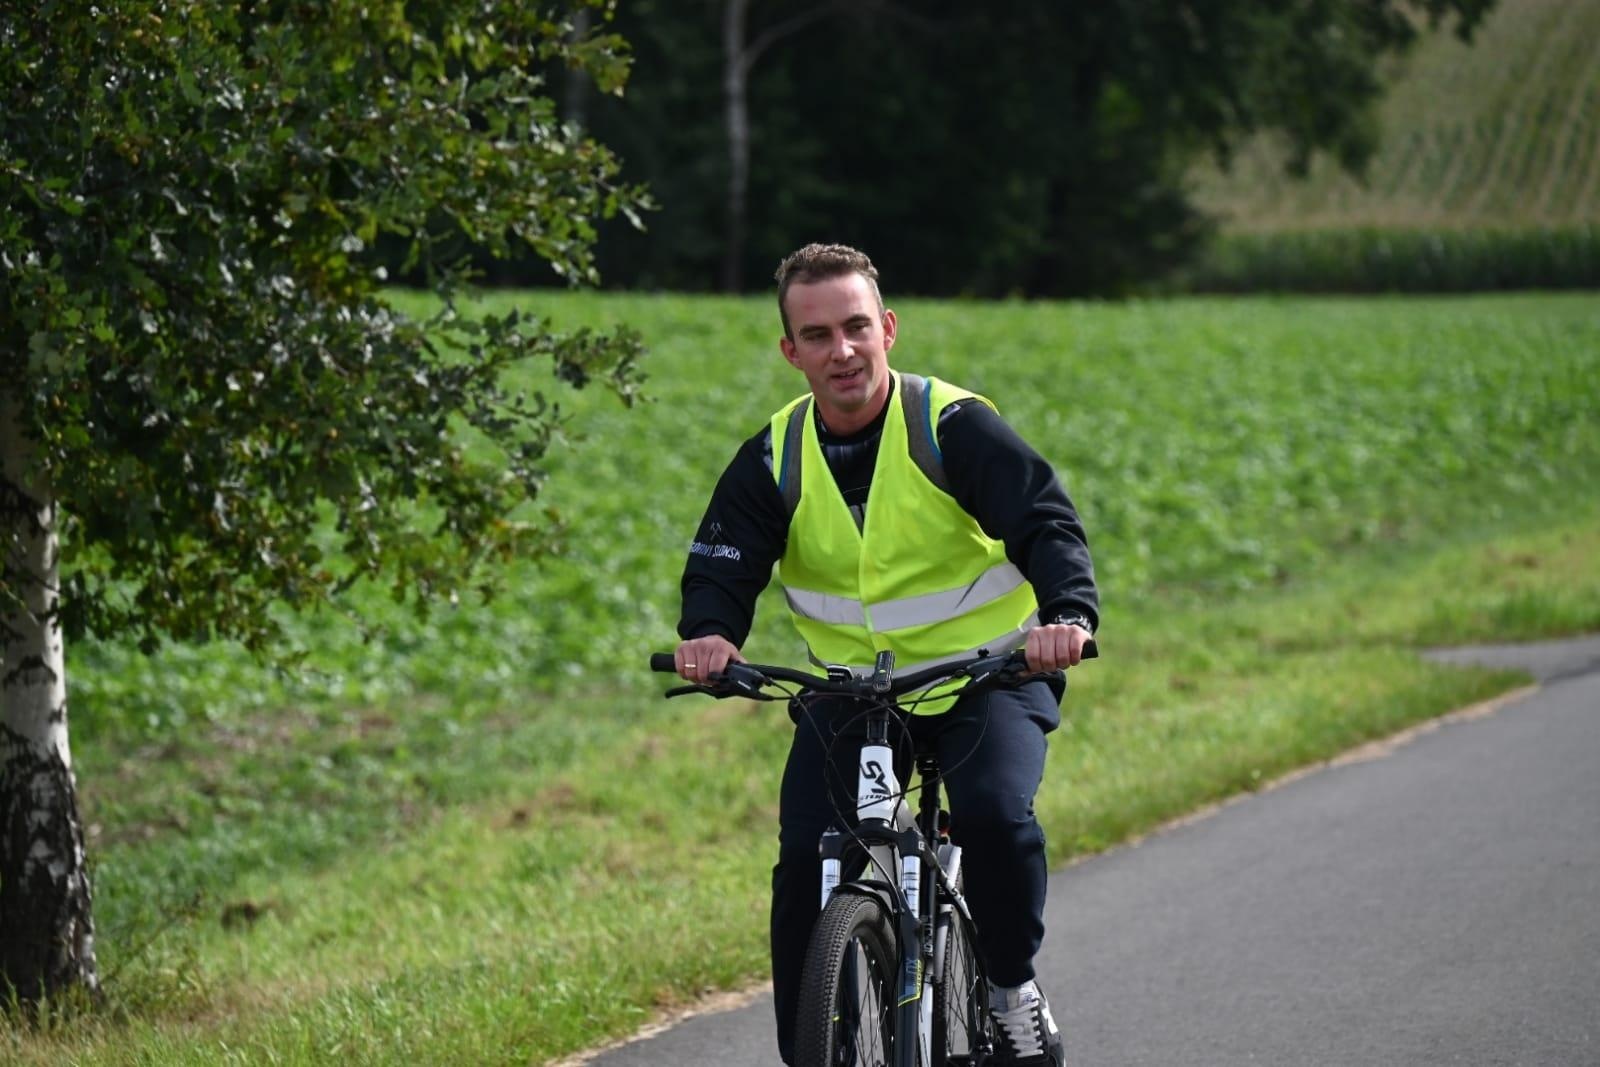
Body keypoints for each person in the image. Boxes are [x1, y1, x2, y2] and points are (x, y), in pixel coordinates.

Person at [672, 243, 1098, 1066]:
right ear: (790, 350)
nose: (842, 351)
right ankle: (811, 1048)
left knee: (994, 816)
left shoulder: (950, 426)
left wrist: (1067, 616)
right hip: (856, 695)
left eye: (856, 327)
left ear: (888, 329)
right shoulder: (775, 455)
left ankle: (1010, 989)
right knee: (808, 859)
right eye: (818, 335)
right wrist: (711, 633)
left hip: (989, 676)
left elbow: (1046, 523)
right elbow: (723, 562)